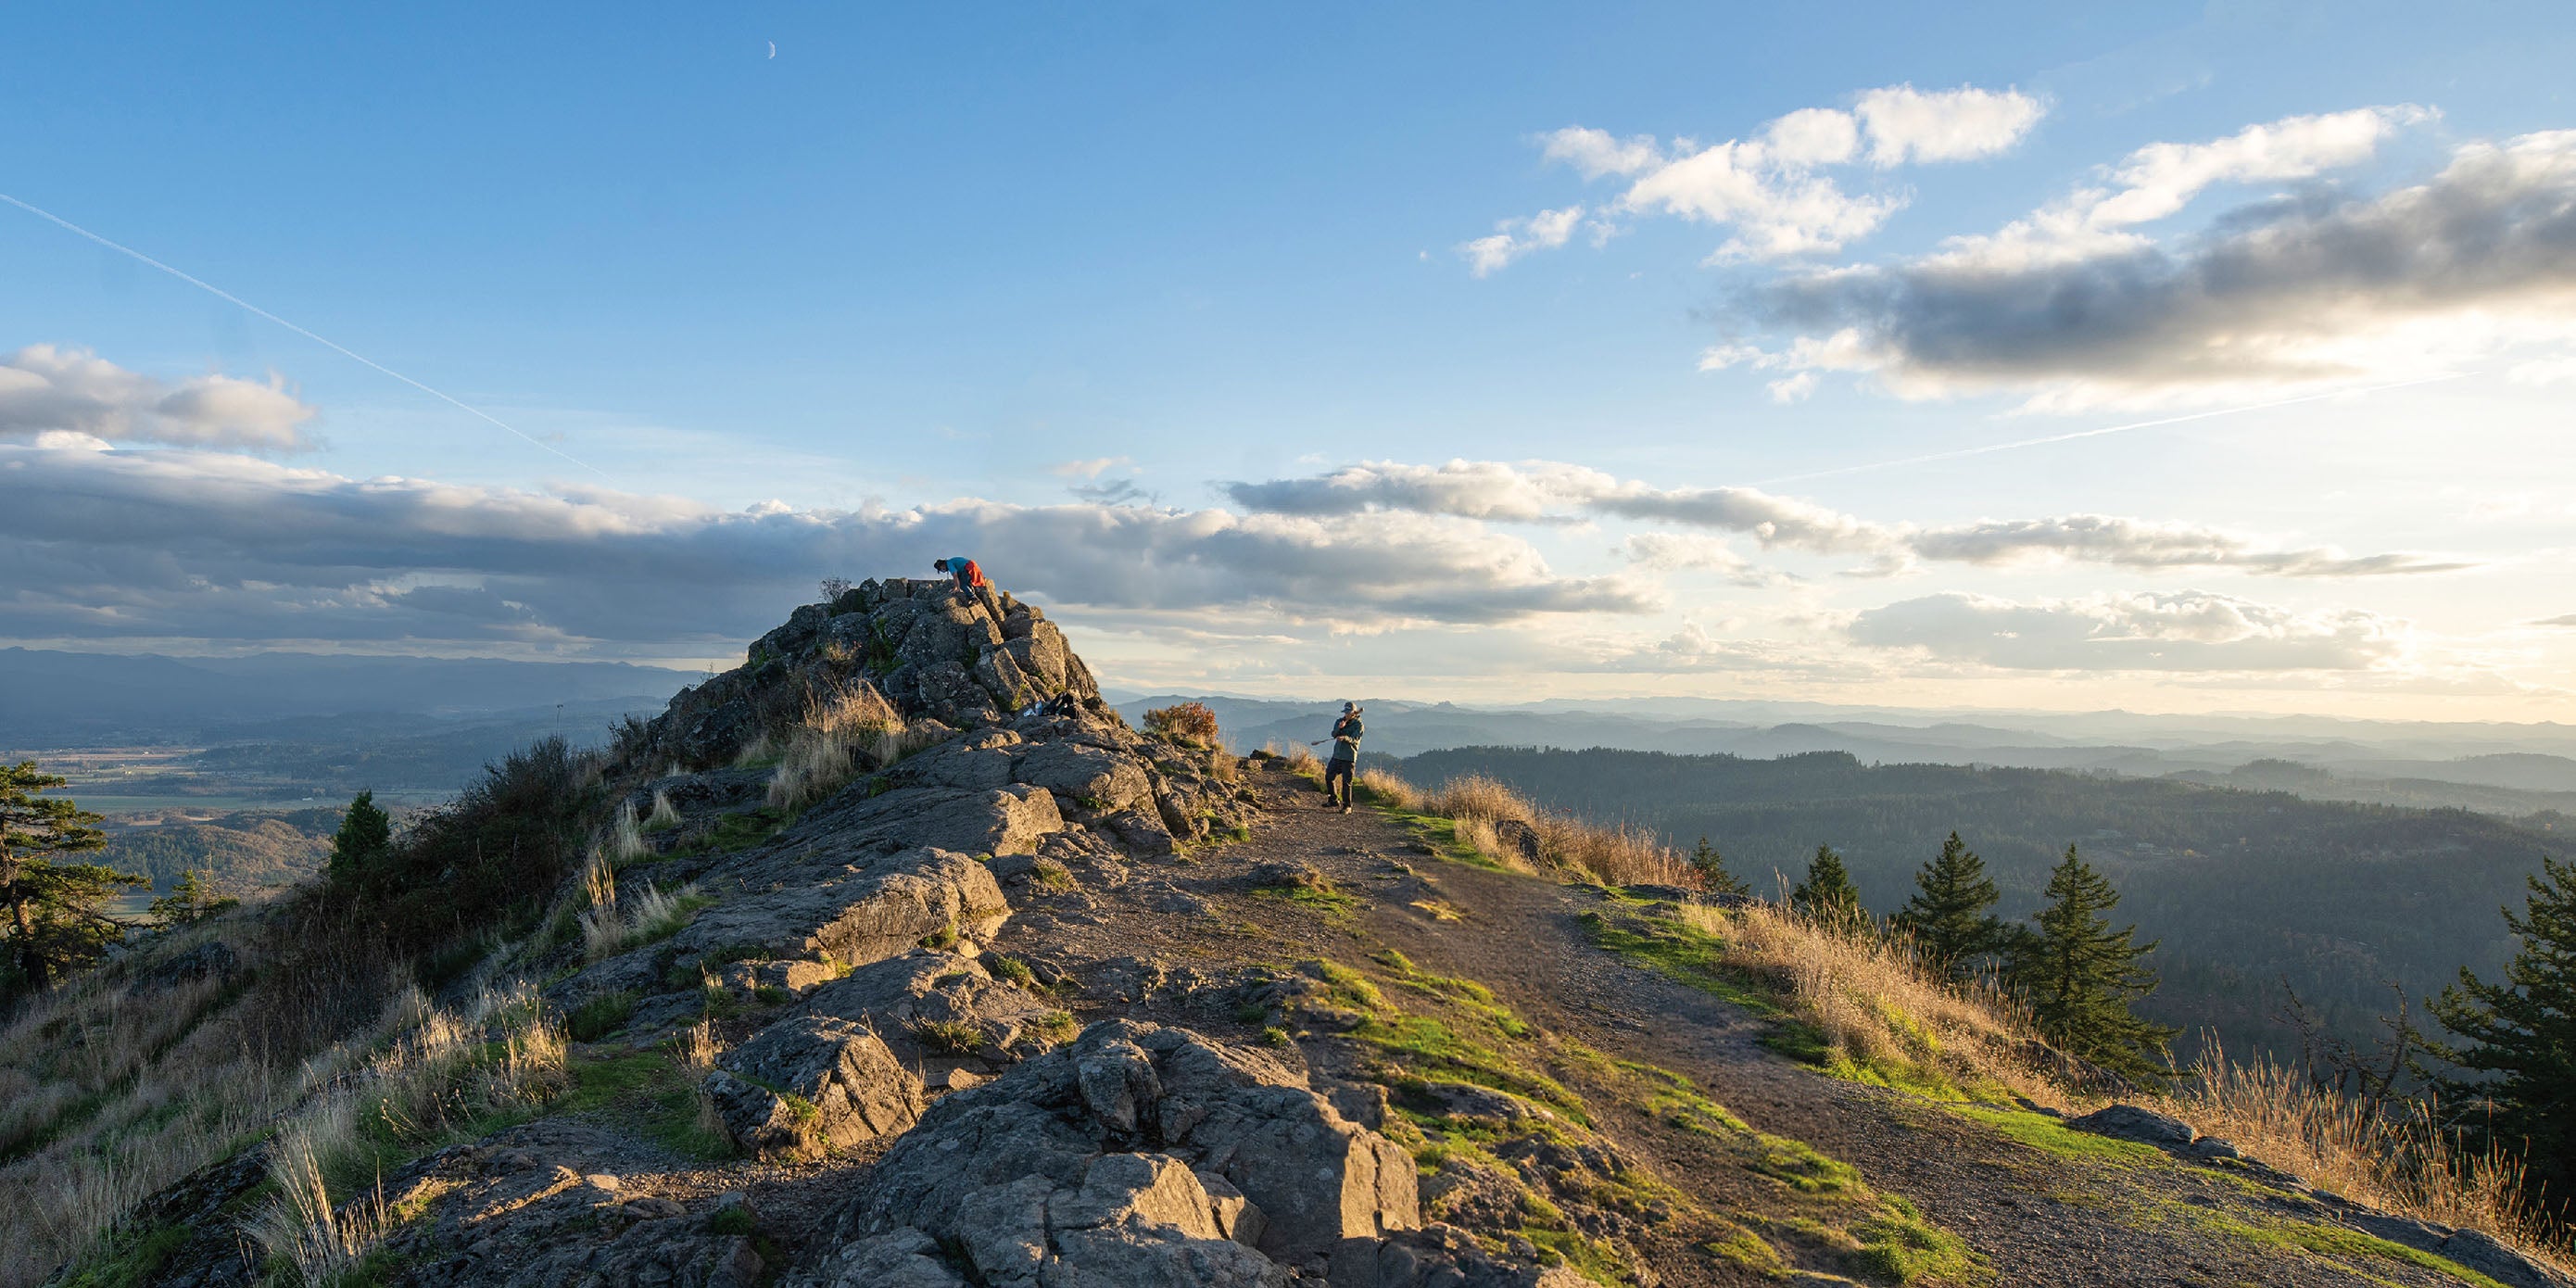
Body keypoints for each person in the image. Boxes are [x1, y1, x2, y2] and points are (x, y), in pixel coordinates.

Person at [1314, 701, 1363, 812]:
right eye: (1345, 712)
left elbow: (1355, 740)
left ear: (1353, 713)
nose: (1346, 715)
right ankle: (1333, 800)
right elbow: (1334, 734)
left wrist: (1345, 738)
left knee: (1346, 782)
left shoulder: (1359, 725)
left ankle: (1347, 806)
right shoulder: (1339, 721)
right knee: (1329, 777)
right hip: (1337, 755)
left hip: (1348, 757)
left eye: (1348, 713)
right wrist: (1340, 728)